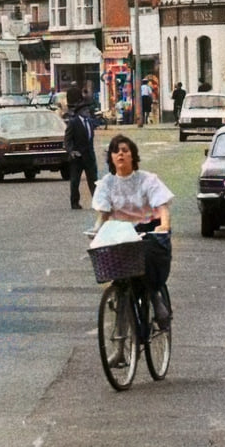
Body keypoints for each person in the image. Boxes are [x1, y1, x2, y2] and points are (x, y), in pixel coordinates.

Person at [91, 134, 174, 328]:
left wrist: (164, 225)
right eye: (116, 151)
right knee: (118, 269)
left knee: (146, 262)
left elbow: (162, 207)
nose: (120, 154)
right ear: (111, 157)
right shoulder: (106, 183)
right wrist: (97, 232)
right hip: (121, 230)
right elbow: (103, 215)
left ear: (132, 156)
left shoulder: (147, 180)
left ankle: (155, 296)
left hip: (147, 228)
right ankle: (121, 340)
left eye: (125, 150)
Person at [64, 86, 99, 210]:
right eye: (85, 110)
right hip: (77, 157)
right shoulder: (73, 122)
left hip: (89, 156)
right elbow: (67, 140)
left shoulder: (90, 122)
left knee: (94, 181)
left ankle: (97, 202)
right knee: (75, 182)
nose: (87, 112)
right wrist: (71, 151)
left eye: (88, 110)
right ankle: (74, 202)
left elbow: (90, 139)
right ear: (80, 112)